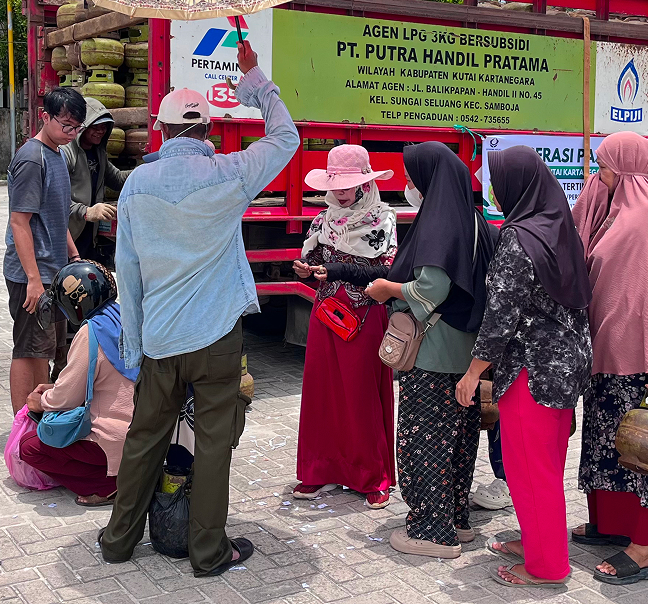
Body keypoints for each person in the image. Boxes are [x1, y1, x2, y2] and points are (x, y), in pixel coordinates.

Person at [100, 39, 297, 577]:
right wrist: (255, 81)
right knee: (213, 445)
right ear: (208, 130)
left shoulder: (137, 186)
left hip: (161, 337)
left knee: (145, 437)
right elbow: (286, 137)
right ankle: (208, 552)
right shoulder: (230, 174)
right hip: (216, 337)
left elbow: (131, 279)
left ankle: (119, 541)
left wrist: (133, 349)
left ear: (160, 133)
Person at [456, 145, 592, 586]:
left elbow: (501, 315)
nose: (493, 191)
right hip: (565, 368)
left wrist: (474, 372)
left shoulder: (518, 237)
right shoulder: (557, 225)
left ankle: (547, 567)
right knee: (544, 463)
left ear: (516, 185)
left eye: (497, 182)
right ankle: (536, 540)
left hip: (533, 372)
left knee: (533, 470)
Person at [365, 140, 497, 559]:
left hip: (433, 353)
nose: (409, 186)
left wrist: (387, 288)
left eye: (412, 178)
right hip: (467, 356)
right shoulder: (474, 220)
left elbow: (431, 288)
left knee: (424, 441)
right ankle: (456, 520)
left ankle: (429, 531)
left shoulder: (439, 224)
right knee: (456, 441)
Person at [571, 132, 648, 585]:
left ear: (622, 168)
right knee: (607, 445)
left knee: (644, 453)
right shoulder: (618, 212)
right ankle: (611, 526)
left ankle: (643, 549)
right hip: (611, 351)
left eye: (603, 165)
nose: (596, 173)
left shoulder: (644, 219)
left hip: (640, 362)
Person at [291, 144, 399, 508]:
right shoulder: (322, 220)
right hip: (327, 315)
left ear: (365, 183)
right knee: (322, 395)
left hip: (366, 317)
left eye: (349, 182)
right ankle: (318, 471)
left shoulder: (383, 218)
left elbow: (385, 271)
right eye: (337, 182)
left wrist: (335, 269)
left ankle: (373, 477)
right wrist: (306, 268)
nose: (341, 190)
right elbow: (315, 258)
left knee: (361, 397)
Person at [19, 260, 135, 506]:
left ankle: (108, 486)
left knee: (29, 446)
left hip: (113, 439)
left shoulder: (90, 331)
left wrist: (39, 402)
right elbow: (105, 377)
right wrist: (54, 388)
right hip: (144, 433)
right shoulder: (125, 317)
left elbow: (67, 398)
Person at [5, 86, 85, 414]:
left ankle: (39, 418)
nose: (71, 132)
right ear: (45, 117)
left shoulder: (57, 155)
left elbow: (55, 215)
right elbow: (19, 222)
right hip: (32, 276)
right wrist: (33, 280)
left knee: (48, 348)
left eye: (76, 127)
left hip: (53, 273)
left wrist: (76, 257)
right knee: (30, 350)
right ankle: (24, 426)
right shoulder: (30, 158)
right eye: (65, 125)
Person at [62, 97, 128, 266]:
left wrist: (145, 171)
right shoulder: (66, 153)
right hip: (67, 235)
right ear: (83, 127)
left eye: (104, 127)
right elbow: (54, 200)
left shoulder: (99, 154)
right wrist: (87, 211)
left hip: (89, 236)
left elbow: (118, 179)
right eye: (95, 127)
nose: (100, 131)